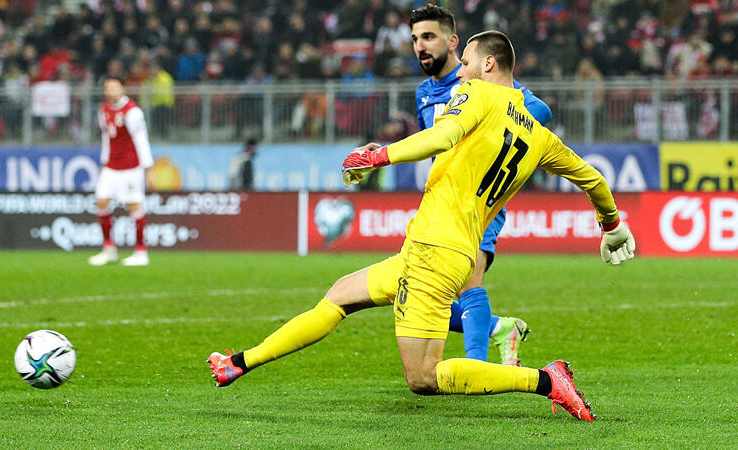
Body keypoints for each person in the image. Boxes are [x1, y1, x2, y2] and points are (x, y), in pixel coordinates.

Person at [209, 31, 636, 422]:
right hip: (441, 249)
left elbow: (442, 137)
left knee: (424, 378)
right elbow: (593, 179)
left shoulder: (477, 93)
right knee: (339, 296)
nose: (461, 70)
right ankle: (240, 363)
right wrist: (612, 224)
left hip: (435, 250)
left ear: (488, 65)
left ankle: (545, 380)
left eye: (466, 61)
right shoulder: (540, 135)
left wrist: (378, 157)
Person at [409, 4, 554, 365]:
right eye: (414, 39)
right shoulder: (424, 93)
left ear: (452, 41)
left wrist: (491, 134)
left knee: (470, 281)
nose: (420, 46)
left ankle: (476, 369)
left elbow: (539, 110)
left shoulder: (486, 83)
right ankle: (498, 328)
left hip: (481, 199)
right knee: (416, 295)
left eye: (428, 37)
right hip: (443, 203)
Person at [88, 77, 154, 267]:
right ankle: (109, 250)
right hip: (111, 166)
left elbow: (141, 139)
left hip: (131, 166)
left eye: (115, 88)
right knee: (101, 202)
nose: (111, 91)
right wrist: (104, 161)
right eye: (108, 88)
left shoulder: (133, 112)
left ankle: (141, 252)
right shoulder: (103, 110)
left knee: (134, 206)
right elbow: (106, 139)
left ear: (123, 89)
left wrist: (147, 168)